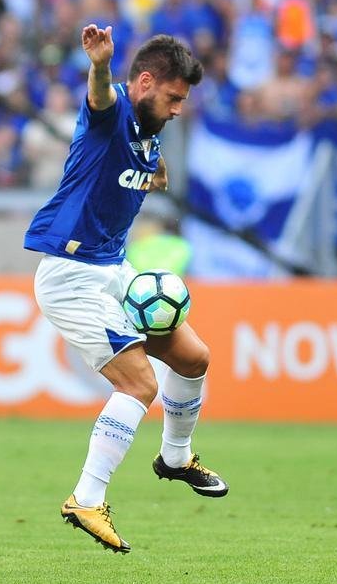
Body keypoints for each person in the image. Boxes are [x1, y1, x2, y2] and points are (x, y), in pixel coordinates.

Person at [24, 29, 227, 554]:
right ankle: (86, 498)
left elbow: (139, 158)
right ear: (145, 82)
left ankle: (176, 458)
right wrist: (99, 65)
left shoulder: (148, 130)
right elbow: (100, 97)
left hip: (113, 268)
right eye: (174, 97)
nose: (178, 109)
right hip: (72, 275)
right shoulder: (111, 111)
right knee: (138, 384)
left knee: (194, 358)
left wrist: (155, 167)